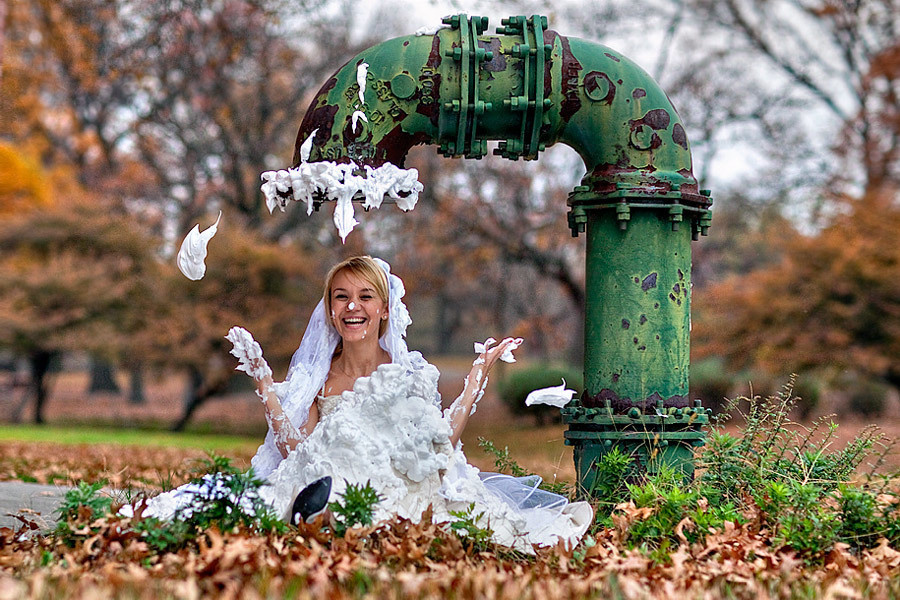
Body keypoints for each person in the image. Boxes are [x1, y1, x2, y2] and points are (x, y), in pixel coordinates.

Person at [144, 256, 593, 551]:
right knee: (294, 488)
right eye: (341, 297)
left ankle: (335, 519)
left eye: (364, 297)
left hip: (395, 485)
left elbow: (438, 445)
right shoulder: (319, 377)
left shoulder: (408, 371)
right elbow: (297, 454)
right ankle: (321, 515)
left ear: (384, 309)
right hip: (332, 478)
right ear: (330, 309)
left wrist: (475, 381)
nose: (351, 307)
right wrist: (265, 383)